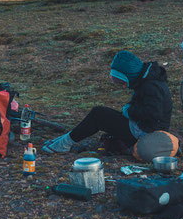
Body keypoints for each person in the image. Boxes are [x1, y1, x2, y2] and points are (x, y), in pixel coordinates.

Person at [42, 50, 173, 154]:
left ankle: (64, 144)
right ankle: (64, 140)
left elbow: (152, 114)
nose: (122, 86)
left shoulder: (151, 87)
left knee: (99, 115)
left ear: (129, 75)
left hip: (148, 132)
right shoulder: (147, 80)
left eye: (122, 81)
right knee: (102, 116)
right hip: (144, 127)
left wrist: (129, 111)